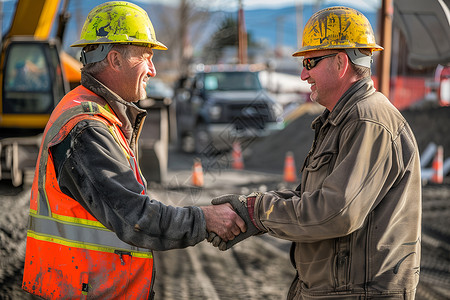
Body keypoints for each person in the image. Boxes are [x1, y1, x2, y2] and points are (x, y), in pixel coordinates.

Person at [21, 2, 245, 299]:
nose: (153, 70)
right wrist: (206, 219)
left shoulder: (97, 115)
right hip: (82, 290)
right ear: (115, 59)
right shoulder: (86, 128)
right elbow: (135, 218)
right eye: (146, 57)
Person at [209, 6, 422, 300]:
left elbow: (335, 213)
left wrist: (257, 213)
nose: (302, 74)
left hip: (357, 293)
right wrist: (252, 209)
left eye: (310, 62)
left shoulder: (367, 121)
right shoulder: (343, 120)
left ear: (340, 62)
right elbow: (315, 200)